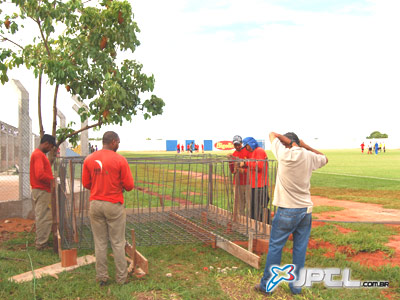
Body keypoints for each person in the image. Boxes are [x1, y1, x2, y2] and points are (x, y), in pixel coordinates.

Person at [255, 132, 328, 296]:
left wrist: (287, 141)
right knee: (300, 249)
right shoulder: (308, 155)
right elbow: (325, 158)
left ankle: (267, 285)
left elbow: (272, 134)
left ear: (286, 143)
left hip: (287, 209)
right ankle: (296, 287)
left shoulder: (284, 153)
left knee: (275, 247)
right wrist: (304, 145)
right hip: (305, 210)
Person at [82, 131, 134, 286]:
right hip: (113, 204)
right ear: (113, 142)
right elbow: (129, 185)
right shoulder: (120, 160)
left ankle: (102, 277)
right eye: (118, 142)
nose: (118, 145)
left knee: (100, 242)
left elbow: (86, 184)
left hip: (95, 204)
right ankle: (121, 278)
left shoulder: (89, 159)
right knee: (118, 242)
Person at [30, 134, 56, 250]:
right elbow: (40, 175)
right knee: (43, 216)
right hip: (42, 190)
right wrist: (52, 180)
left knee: (44, 215)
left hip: (42, 189)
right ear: (46, 144)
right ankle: (41, 244)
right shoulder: (38, 155)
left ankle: (42, 242)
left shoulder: (39, 155)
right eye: (50, 147)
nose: (50, 149)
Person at [242, 137, 269, 222]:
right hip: (255, 184)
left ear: (250, 144)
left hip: (260, 185)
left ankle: (265, 227)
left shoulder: (259, 151)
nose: (246, 148)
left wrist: (246, 163)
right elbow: (253, 167)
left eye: (246, 146)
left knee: (259, 208)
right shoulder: (254, 152)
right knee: (254, 208)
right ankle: (256, 227)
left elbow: (259, 166)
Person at [228, 135, 250, 216]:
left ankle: (250, 222)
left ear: (241, 143)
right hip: (237, 183)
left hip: (248, 182)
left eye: (238, 144)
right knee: (239, 205)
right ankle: (240, 221)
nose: (237, 146)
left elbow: (253, 166)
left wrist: (243, 170)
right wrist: (230, 161)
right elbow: (232, 171)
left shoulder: (248, 151)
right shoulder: (234, 154)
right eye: (235, 145)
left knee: (249, 204)